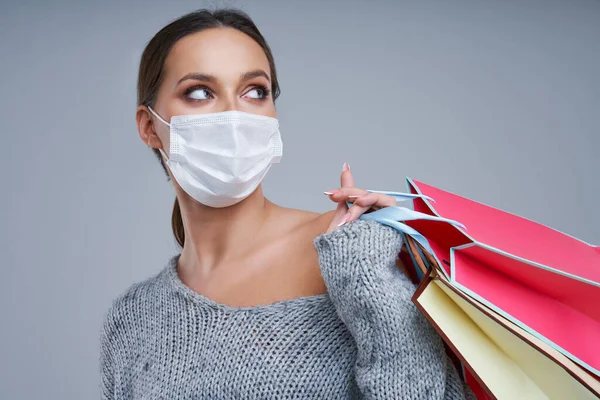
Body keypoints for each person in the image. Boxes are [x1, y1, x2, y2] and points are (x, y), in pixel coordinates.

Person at [100, 8, 473, 400]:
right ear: (149, 126)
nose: (233, 114)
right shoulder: (133, 319)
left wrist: (365, 278)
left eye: (254, 91)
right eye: (200, 92)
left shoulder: (354, 255)